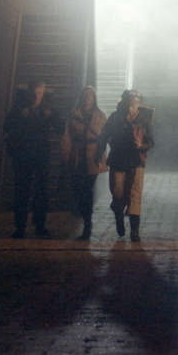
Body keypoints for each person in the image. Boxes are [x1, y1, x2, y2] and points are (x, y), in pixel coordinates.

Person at [4, 80, 58, 238]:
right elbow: (7, 127)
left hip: (40, 156)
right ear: (29, 93)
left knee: (41, 191)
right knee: (22, 191)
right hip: (23, 156)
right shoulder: (19, 109)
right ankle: (20, 227)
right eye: (34, 93)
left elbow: (59, 127)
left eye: (39, 93)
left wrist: (51, 116)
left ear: (43, 93)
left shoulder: (47, 109)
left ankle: (39, 225)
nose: (36, 96)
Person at [102, 90, 154, 241]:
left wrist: (142, 145)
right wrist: (100, 152)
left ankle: (134, 231)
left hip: (136, 161)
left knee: (135, 195)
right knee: (118, 192)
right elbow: (104, 135)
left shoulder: (144, 118)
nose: (133, 104)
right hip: (118, 159)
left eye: (136, 100)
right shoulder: (115, 117)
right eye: (130, 100)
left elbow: (151, 141)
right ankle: (118, 213)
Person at [60, 86, 108, 241]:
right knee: (78, 189)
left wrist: (101, 156)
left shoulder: (100, 116)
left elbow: (105, 137)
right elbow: (67, 136)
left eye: (90, 96)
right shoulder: (74, 115)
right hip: (77, 156)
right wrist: (66, 155)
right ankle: (82, 214)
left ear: (94, 99)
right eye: (85, 96)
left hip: (93, 156)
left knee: (87, 190)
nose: (88, 99)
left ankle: (87, 224)